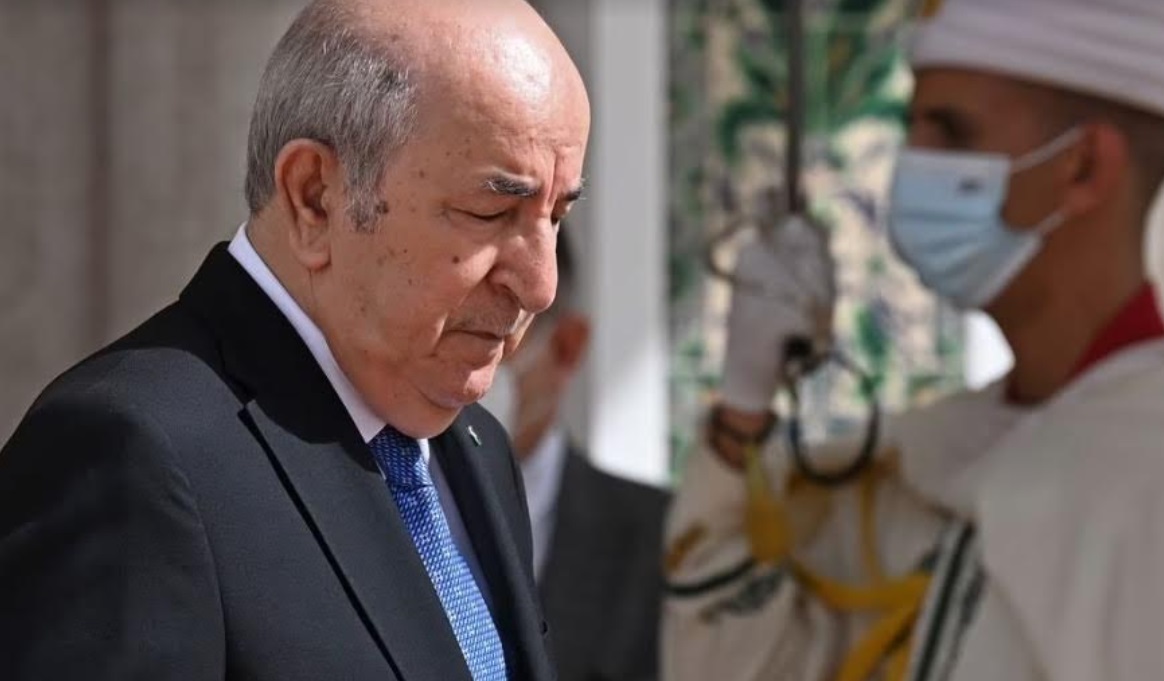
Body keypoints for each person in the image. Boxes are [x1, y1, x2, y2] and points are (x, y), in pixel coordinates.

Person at [0, 0, 589, 678]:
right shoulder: (129, 451)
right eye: (491, 211)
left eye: (556, 215)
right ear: (314, 196)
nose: (540, 284)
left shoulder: (476, 451)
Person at [663, 0, 1164, 680]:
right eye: (912, 129)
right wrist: (745, 405)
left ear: (1082, 168)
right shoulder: (928, 458)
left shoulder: (1145, 473)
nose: (911, 166)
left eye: (951, 133)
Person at [480, 232, 669, 681]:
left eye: (489, 331)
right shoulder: (367, 514)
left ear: (568, 346)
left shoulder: (662, 541)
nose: (462, 364)